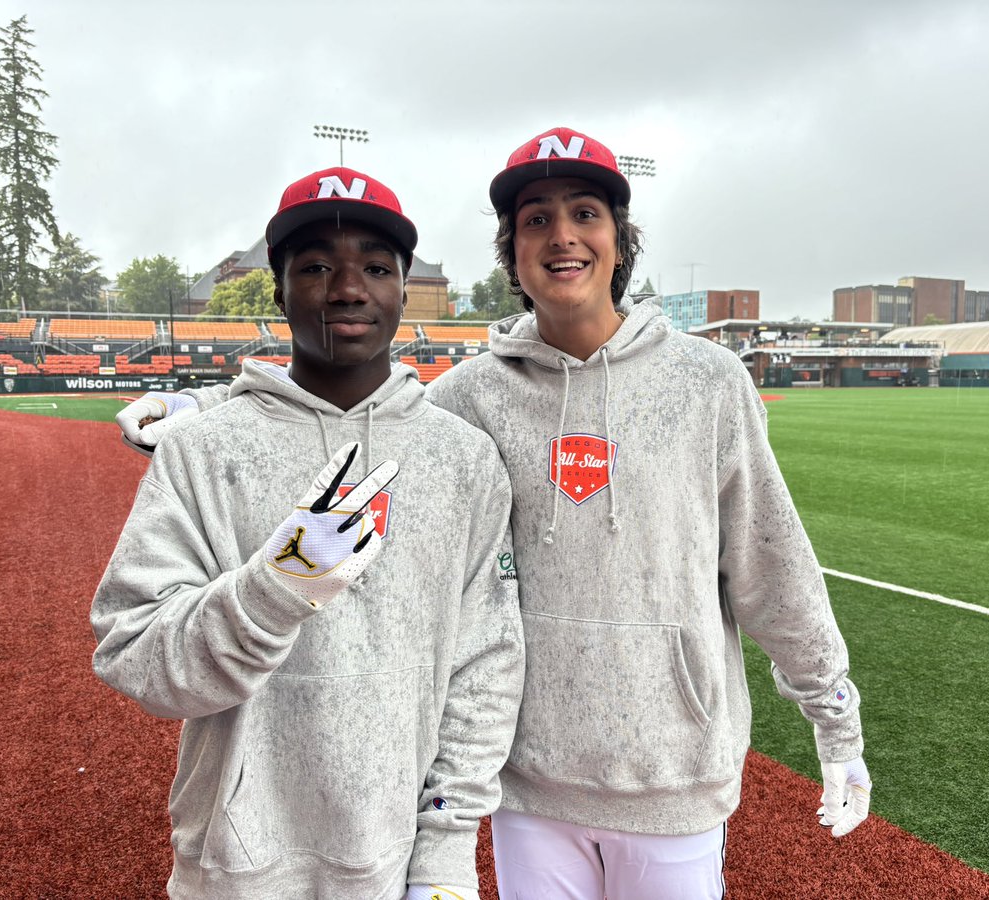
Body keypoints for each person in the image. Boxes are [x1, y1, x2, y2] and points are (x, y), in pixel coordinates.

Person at [116, 129, 872, 900]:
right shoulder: (472, 398)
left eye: (585, 213)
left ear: (620, 239)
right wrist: (206, 406)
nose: (563, 236)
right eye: (536, 220)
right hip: (528, 784)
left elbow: (770, 561)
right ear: (512, 252)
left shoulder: (708, 383)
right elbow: (361, 404)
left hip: (675, 777)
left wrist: (833, 713)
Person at [93, 166, 524, 900]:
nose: (348, 288)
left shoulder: (464, 459)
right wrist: (271, 592)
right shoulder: (203, 451)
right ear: (278, 289)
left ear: (400, 290)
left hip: (397, 865)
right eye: (317, 265)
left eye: (377, 268)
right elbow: (134, 655)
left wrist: (448, 849)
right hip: (236, 867)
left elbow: (486, 662)